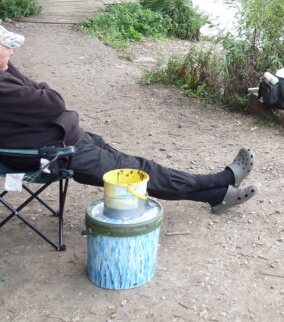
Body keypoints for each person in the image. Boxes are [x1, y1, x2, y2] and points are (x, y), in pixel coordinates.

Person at [0, 25, 259, 214]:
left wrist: (18, 75)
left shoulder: (4, 76)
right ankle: (219, 181)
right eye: (6, 46)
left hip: (52, 139)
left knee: (120, 160)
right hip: (51, 153)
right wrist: (38, 89)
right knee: (137, 171)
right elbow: (53, 100)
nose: (12, 51)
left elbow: (32, 90)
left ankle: (217, 196)